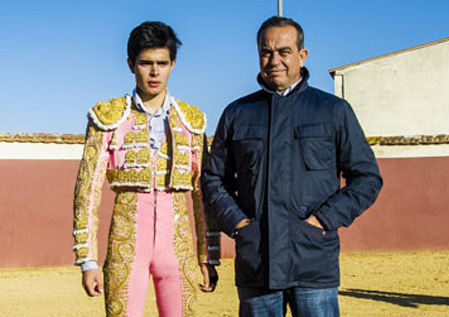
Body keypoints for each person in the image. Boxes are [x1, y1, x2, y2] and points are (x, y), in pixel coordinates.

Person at [202, 16, 383, 317]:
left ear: (302, 55)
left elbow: (366, 178)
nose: (275, 60)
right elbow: (213, 179)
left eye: (284, 52)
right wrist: (238, 225)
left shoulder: (334, 110)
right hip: (256, 264)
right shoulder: (237, 113)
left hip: (313, 263)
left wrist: (323, 221)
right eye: (266, 52)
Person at [72, 21, 219, 317]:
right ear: (131, 64)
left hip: (177, 248)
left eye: (162, 63)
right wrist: (87, 260)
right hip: (126, 244)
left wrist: (208, 255)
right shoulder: (108, 118)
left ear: (173, 64)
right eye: (146, 63)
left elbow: (203, 194)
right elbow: (87, 190)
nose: (154, 72)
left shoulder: (191, 121)